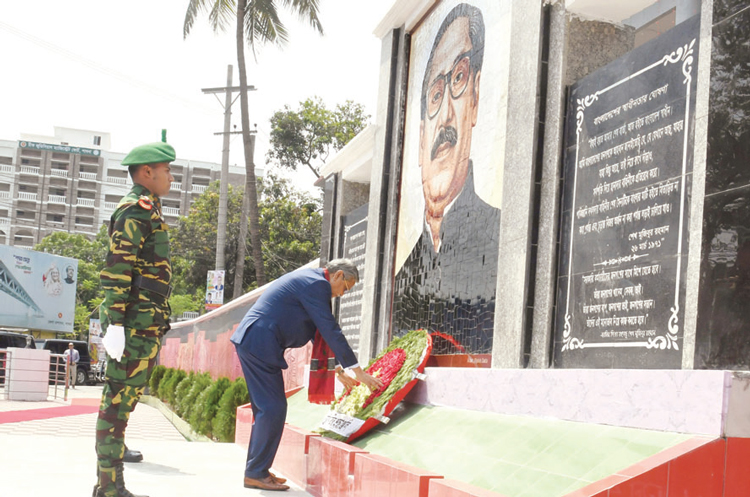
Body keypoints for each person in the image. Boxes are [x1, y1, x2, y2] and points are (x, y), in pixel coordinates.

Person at [392, 3, 501, 355]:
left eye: (459, 80)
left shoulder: (502, 241)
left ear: (476, 97)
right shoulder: (400, 281)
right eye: (435, 96)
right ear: (421, 132)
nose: (445, 118)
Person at [231, 258, 382, 491]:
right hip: (259, 343)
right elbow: (330, 328)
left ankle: (257, 470)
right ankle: (255, 472)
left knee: (266, 410)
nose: (341, 294)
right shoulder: (316, 285)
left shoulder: (311, 283)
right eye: (345, 287)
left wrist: (338, 370)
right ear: (338, 275)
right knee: (272, 409)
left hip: (256, 342)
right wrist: (357, 371)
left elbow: (316, 332)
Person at [93, 141, 175, 497]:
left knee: (123, 404)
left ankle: (110, 484)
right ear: (147, 173)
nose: (171, 176)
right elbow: (117, 270)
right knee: (116, 405)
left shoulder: (150, 210)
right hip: (133, 324)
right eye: (167, 170)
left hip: (146, 323)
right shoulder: (135, 211)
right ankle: (109, 487)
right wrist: (115, 324)